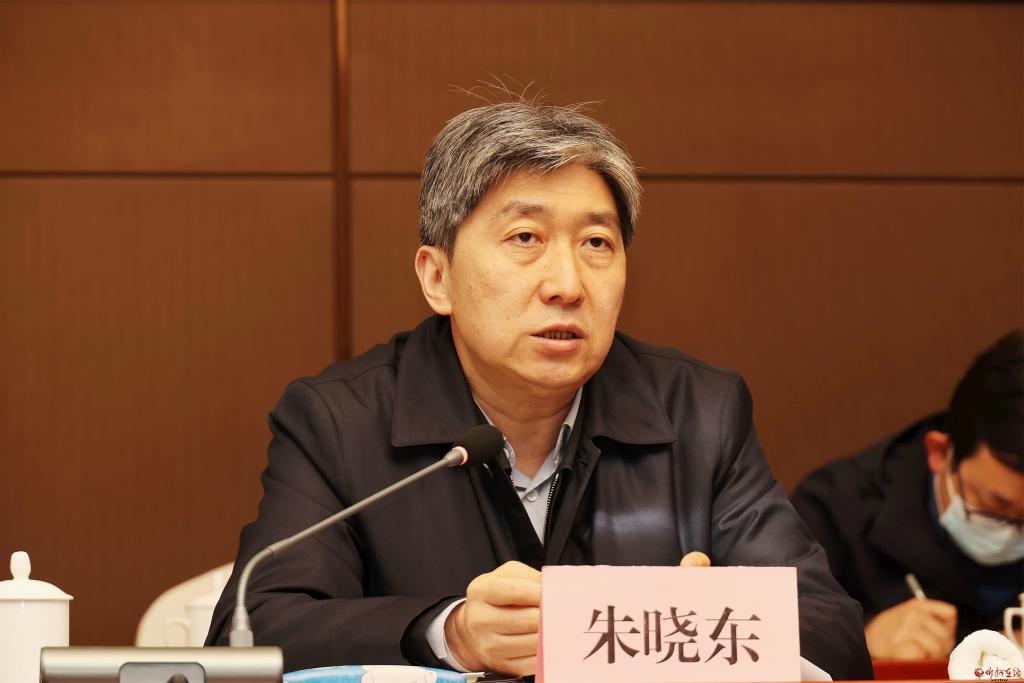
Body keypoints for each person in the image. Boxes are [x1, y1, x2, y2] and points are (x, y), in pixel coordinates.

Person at [207, 101, 872, 678]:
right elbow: (255, 631)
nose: (568, 284)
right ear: (437, 276)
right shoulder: (338, 421)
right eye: (525, 237)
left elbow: (833, 630)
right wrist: (450, 633)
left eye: (596, 243)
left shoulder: (700, 414)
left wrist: (701, 629)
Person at [792, 331, 1024, 661]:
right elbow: (772, 644)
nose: (1013, 533)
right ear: (940, 453)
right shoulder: (835, 510)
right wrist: (862, 642)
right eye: (995, 506)